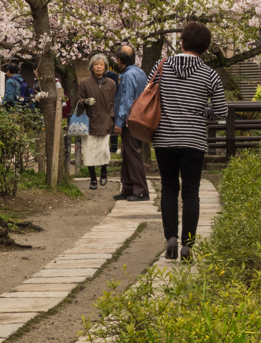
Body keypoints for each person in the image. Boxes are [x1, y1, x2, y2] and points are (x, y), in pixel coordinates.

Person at [150, 21, 227, 261]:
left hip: (164, 139)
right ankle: (187, 246)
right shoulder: (210, 74)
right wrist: (201, 113)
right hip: (193, 139)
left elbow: (149, 94)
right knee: (191, 193)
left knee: (169, 187)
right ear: (205, 49)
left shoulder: (162, 66)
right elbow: (222, 111)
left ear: (182, 42)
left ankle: (170, 238)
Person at [112, 44, 150, 202]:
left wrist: (119, 122)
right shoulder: (140, 72)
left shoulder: (127, 76)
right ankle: (128, 188)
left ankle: (141, 190)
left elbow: (126, 101)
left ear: (120, 60)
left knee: (132, 154)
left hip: (130, 120)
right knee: (128, 154)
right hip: (139, 118)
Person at [77, 53, 117, 190]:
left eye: (101, 64)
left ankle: (104, 171)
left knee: (104, 150)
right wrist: (85, 102)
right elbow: (78, 101)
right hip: (89, 121)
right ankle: (93, 179)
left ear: (105, 66)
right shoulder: (84, 83)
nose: (99, 67)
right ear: (91, 67)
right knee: (89, 151)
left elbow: (114, 103)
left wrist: (112, 117)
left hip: (106, 121)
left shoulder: (111, 83)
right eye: (96, 64)